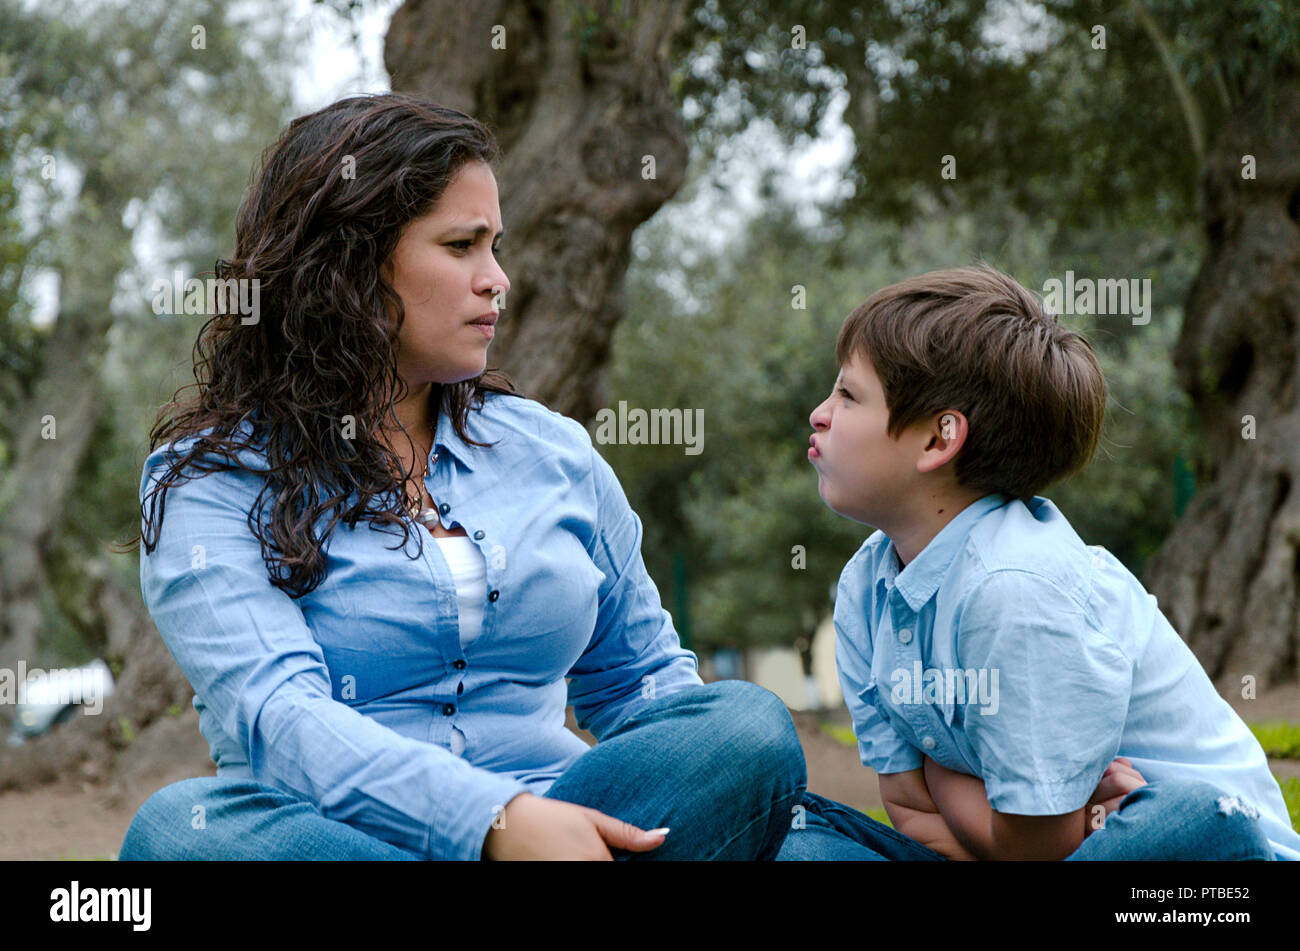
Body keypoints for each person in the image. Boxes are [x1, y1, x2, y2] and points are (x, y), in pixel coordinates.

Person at [116, 92, 805, 861]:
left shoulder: (555, 454)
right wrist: (491, 821)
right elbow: (282, 717)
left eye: (496, 246)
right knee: (183, 832)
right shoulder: (210, 480)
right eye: (462, 246)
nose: (497, 279)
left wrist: (704, 789)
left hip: (571, 826)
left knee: (742, 728)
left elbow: (643, 685)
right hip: (339, 841)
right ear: (347, 266)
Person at [779, 264, 1297, 860]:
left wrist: (941, 779)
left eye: (848, 394)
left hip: (1190, 871)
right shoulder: (863, 590)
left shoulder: (1017, 591)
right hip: (1040, 850)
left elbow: (1035, 848)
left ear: (937, 439)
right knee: (791, 835)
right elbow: (909, 810)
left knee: (1194, 820)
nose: (820, 414)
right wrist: (1034, 817)